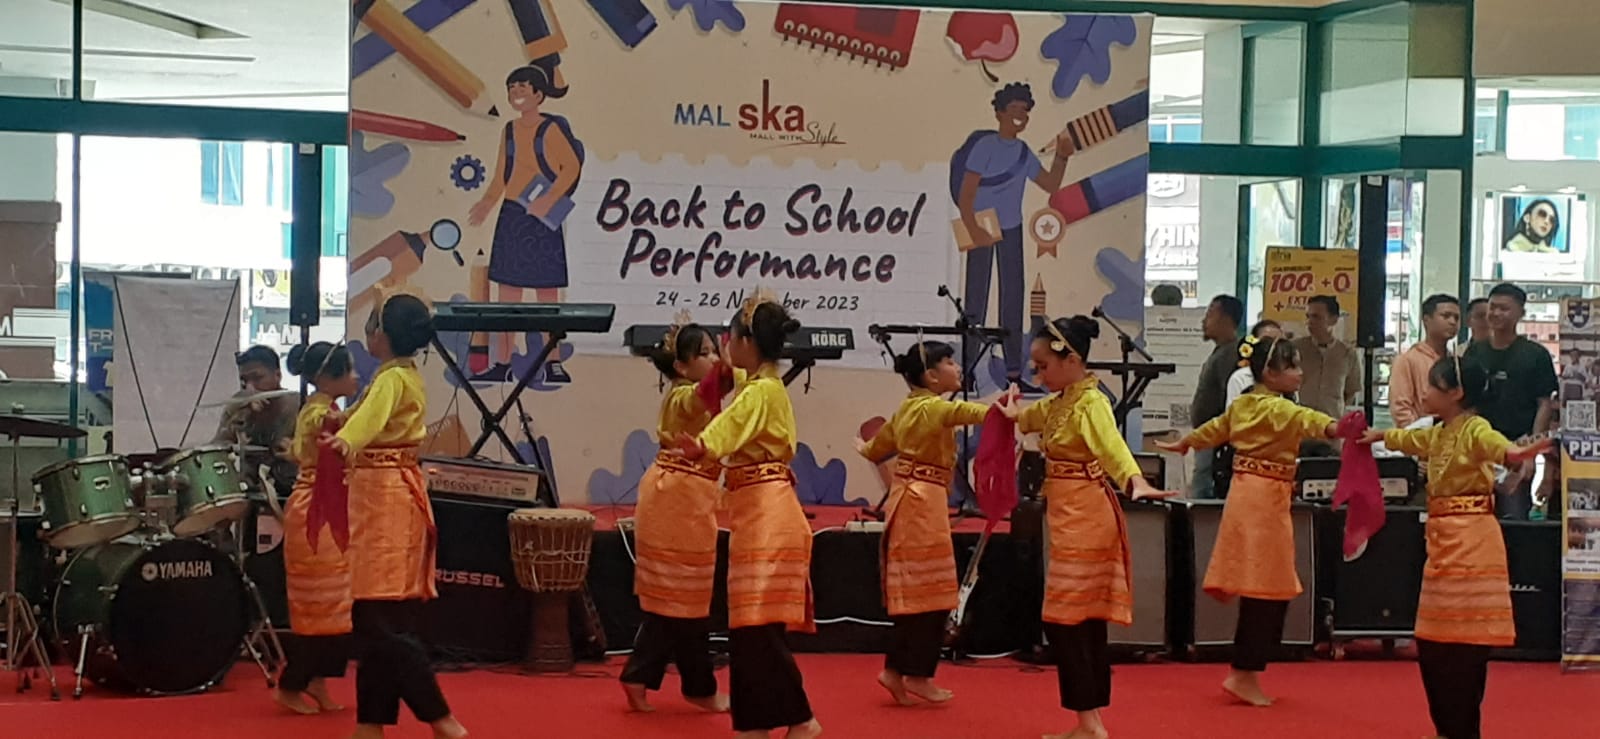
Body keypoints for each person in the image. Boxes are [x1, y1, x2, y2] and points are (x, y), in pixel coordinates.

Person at [1359, 356, 1551, 739]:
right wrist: (1378, 436)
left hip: (1473, 546)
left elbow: (1500, 449)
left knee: (1464, 648)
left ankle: (1461, 730)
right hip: (1443, 547)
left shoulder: (1476, 428)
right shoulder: (1440, 432)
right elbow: (1410, 440)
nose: (1426, 391)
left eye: (1433, 385)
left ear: (1456, 393)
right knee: (1433, 645)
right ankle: (1448, 728)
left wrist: (1521, 453)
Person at [999, 317, 1170, 739]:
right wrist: (1011, 413)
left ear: (1071, 360)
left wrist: (1134, 480)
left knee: (1068, 620)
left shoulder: (1091, 403)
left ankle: (1090, 722)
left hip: (1087, 519)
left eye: (1043, 366)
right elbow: (1029, 416)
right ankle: (1089, 721)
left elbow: (1112, 447)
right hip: (1070, 517)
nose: (1038, 374)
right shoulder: (1062, 401)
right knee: (1079, 620)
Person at [1157, 336, 1338, 707]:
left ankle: (1245, 671)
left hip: (1245, 496)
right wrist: (1343, 428)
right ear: (1269, 372)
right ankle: (1243, 673)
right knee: (1267, 592)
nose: (1299, 373)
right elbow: (1317, 423)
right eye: (1292, 366)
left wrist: (1187, 442)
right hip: (1265, 502)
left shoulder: (1243, 405)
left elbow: (1215, 428)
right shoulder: (1280, 409)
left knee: (1264, 590)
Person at [670, 295, 821, 739]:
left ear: (747, 343)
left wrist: (704, 445)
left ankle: (798, 720)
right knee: (752, 625)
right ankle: (766, 723)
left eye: (730, 338)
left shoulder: (761, 392)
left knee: (756, 624)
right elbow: (735, 388)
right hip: (760, 511)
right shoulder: (759, 382)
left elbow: (732, 422)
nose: (726, 346)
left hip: (769, 515)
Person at [321, 294, 466, 739]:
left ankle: (441, 719)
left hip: (383, 499)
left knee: (379, 619)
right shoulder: (401, 374)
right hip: (386, 493)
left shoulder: (390, 380)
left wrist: (346, 439)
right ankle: (370, 724)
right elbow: (367, 417)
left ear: (381, 335)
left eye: (372, 324)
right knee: (379, 617)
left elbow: (369, 421)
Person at [857, 341, 1002, 706]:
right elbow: (971, 413)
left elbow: (877, 448)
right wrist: (1007, 411)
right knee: (930, 595)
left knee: (919, 595)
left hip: (912, 501)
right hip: (921, 505)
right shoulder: (933, 408)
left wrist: (864, 449)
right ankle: (915, 674)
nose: (957, 366)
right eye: (949, 361)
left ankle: (898, 671)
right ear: (932, 376)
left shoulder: (908, 408)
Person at [620, 320, 730, 715]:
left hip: (684, 498)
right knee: (684, 601)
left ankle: (644, 677)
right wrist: (728, 366)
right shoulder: (683, 396)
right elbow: (703, 395)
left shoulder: (692, 393)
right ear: (681, 366)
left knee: (679, 601)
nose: (713, 359)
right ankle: (696, 687)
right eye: (705, 353)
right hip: (676, 501)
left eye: (715, 351)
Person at [467, 55, 581, 382]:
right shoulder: (509, 130)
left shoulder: (551, 128)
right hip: (513, 213)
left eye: (522, 87)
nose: (516, 93)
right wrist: (487, 203)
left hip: (542, 215)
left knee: (547, 295)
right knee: (508, 295)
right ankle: (503, 362)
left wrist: (548, 199)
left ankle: (553, 362)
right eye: (511, 88)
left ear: (538, 94)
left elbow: (571, 168)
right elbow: (502, 175)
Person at [955, 82, 1074, 388]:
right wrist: (973, 228)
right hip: (981, 224)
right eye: (1014, 109)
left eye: (1025, 110)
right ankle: (968, 368)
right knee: (976, 298)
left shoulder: (1023, 152)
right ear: (999, 113)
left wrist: (1062, 157)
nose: (1020, 115)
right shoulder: (985, 147)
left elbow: (1049, 184)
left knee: (1013, 296)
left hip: (1011, 227)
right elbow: (967, 194)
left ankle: (1012, 371)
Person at [275, 341, 358, 715]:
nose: (355, 377)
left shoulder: (322, 410)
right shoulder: (320, 415)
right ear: (327, 377)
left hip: (329, 507)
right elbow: (344, 436)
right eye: (349, 370)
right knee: (320, 604)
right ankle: (292, 683)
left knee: (336, 604)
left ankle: (317, 680)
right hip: (315, 512)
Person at [1463, 283, 1558, 519]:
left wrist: (1531, 452)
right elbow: (1467, 403)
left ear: (1520, 313)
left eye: (1504, 308)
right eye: (1492, 307)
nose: (1496, 313)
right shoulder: (1474, 352)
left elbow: (1544, 404)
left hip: (1517, 448)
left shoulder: (1535, 355)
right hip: (1479, 450)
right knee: (1474, 518)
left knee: (1513, 519)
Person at [216, 344, 301, 490]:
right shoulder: (238, 404)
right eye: (244, 381)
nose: (250, 388)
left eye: (257, 378)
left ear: (277, 375)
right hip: (249, 488)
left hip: (292, 488)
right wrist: (232, 426)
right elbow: (215, 448)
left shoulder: (298, 406)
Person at [1188, 295, 1244, 497]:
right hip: (1207, 438)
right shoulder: (1220, 352)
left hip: (1216, 442)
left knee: (1203, 494)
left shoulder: (1231, 355)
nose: (1204, 321)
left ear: (1226, 319)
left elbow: (1228, 403)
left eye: (1210, 314)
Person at [1388, 294, 1460, 428]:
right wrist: (1418, 434)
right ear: (1426, 320)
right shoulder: (1407, 360)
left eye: (1456, 318)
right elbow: (1401, 408)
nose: (1452, 322)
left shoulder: (1456, 360)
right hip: (1418, 435)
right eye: (1446, 316)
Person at [1292, 295, 1360, 424]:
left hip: (1332, 423)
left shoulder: (1347, 353)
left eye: (1316, 317)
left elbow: (1351, 390)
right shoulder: (1295, 348)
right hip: (1300, 423)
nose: (1310, 322)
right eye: (1308, 317)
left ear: (1333, 320)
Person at [1225, 320, 1282, 409]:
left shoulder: (1288, 374)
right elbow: (1232, 412)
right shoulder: (1240, 377)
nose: (1272, 346)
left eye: (1278, 341)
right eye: (1266, 340)